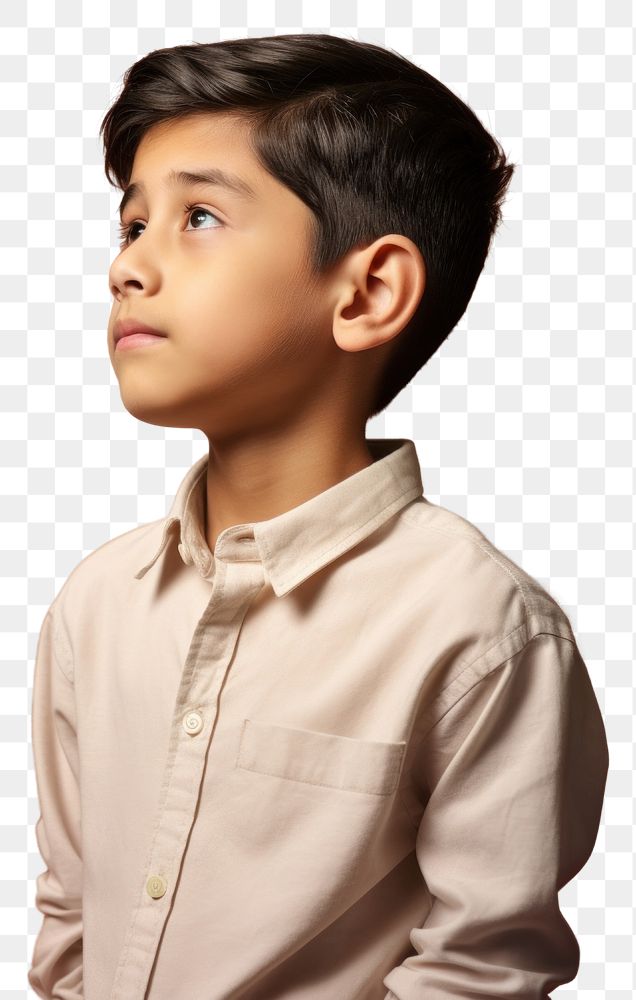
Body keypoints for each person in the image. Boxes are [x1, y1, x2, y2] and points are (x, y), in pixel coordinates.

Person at [27, 32, 609, 1000]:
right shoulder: (97, 602)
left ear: (369, 291)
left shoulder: (482, 633)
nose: (128, 267)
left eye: (199, 216)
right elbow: (71, 921)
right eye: (132, 225)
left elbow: (480, 970)